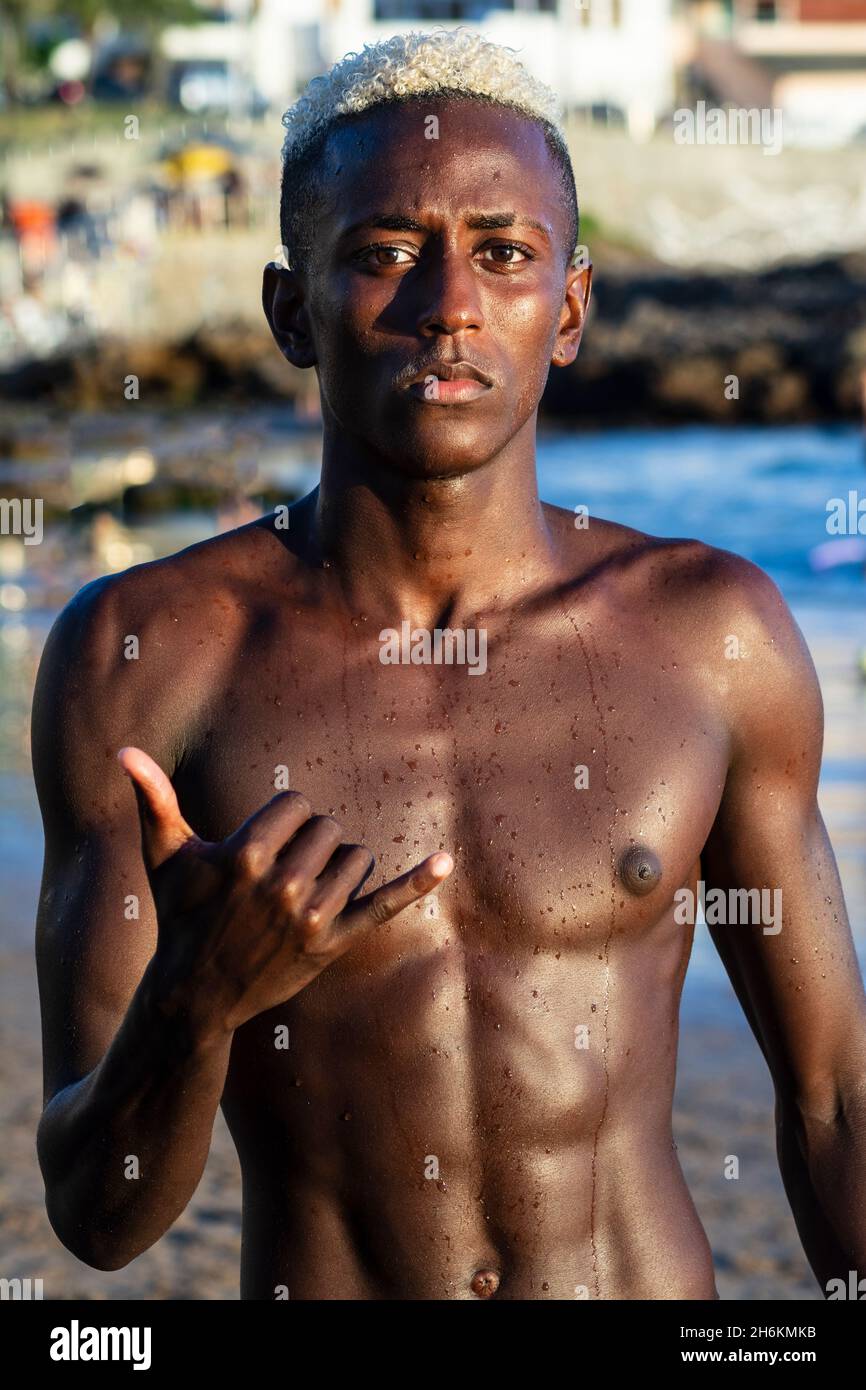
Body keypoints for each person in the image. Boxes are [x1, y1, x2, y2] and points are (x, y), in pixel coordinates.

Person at [33, 29, 866, 1300]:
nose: (449, 307)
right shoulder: (141, 658)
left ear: (570, 307)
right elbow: (101, 1218)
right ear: (290, 311)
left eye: (503, 252)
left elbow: (833, 1109)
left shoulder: (715, 634)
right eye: (382, 254)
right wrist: (191, 1003)